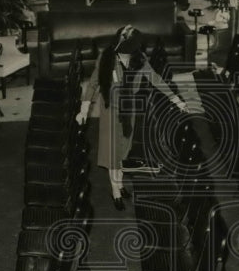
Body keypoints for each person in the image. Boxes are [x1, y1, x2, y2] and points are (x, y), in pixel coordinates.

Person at [77, 25, 188, 210]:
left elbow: (156, 79)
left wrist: (176, 100)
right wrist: (84, 108)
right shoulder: (106, 59)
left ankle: (119, 184)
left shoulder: (140, 59)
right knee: (112, 153)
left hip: (130, 111)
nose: (127, 54)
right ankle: (116, 192)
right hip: (110, 112)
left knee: (122, 150)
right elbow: (93, 84)